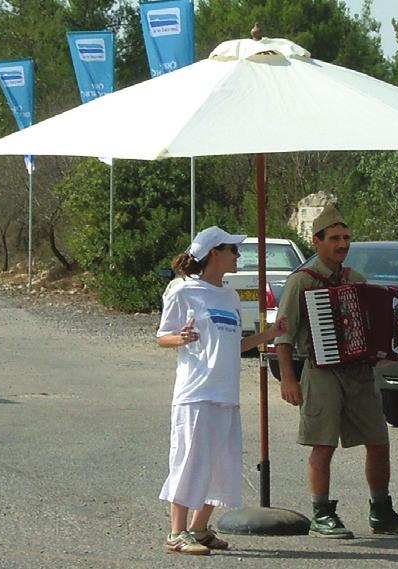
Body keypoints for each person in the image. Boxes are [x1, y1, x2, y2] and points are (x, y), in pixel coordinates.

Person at [275, 204, 398, 539]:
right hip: (322, 371)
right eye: (335, 238)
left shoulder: (355, 279)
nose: (343, 244)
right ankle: (321, 511)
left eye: (346, 238)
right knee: (323, 443)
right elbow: (282, 335)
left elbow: (376, 320)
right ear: (317, 241)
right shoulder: (301, 282)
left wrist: (393, 329)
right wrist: (289, 380)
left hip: (360, 372)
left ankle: (381, 510)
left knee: (378, 441)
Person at [156, 226, 288, 556]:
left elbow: (233, 345)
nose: (238, 255)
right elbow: (163, 336)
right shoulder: (182, 291)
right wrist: (180, 339)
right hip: (196, 392)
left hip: (226, 393)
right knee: (190, 460)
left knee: (220, 462)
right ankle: (176, 532)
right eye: (233, 249)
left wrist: (269, 333)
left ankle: (199, 528)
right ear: (215, 253)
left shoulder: (229, 295)